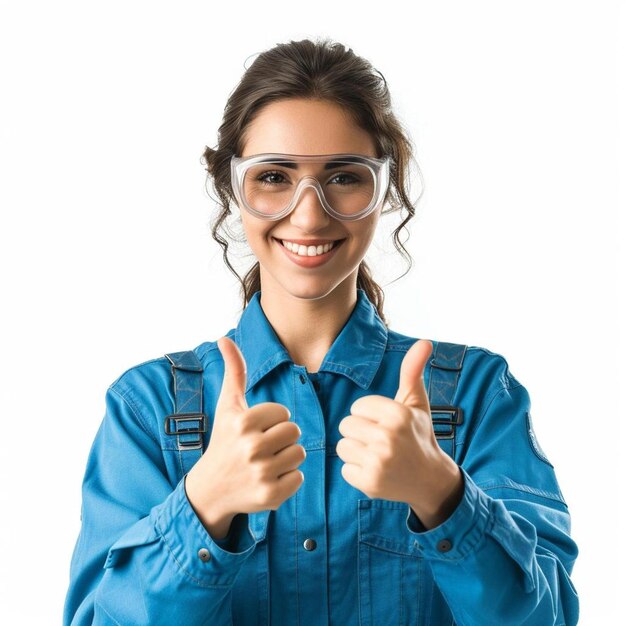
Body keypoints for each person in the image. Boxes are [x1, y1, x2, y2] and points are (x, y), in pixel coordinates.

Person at [63, 37, 580, 625]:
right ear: (233, 190)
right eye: (275, 176)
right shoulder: (147, 407)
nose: (309, 215)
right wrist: (202, 506)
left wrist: (443, 496)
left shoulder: (478, 394)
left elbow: (551, 617)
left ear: (386, 189)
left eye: (343, 177)